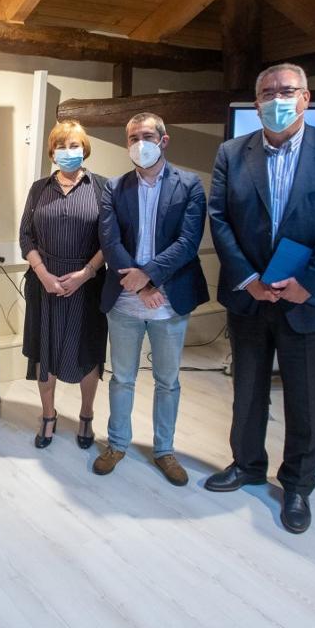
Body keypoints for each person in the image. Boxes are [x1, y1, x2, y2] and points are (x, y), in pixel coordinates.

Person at [205, 63, 315, 535]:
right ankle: (247, 464)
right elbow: (220, 219)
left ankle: (297, 484)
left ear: (305, 98)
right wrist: (248, 278)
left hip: (307, 300)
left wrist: (308, 283)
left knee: (307, 399)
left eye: (287, 91)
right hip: (250, 296)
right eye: (267, 93)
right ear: (256, 103)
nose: (277, 99)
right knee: (247, 389)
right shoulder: (232, 153)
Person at [93, 113, 209, 485]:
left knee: (167, 381)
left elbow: (188, 243)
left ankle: (164, 451)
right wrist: (141, 286)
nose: (139, 143)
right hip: (126, 298)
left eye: (146, 136)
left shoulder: (189, 185)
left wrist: (151, 276)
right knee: (122, 378)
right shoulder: (113, 187)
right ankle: (116, 445)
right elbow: (110, 241)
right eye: (132, 138)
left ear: (163, 140)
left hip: (170, 298)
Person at [19, 120, 108, 450]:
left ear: (84, 149)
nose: (67, 151)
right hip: (45, 285)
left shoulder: (102, 187)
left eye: (74, 145)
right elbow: (25, 236)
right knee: (46, 352)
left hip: (88, 285)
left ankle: (86, 415)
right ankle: (48, 415)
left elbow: (111, 239)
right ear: (52, 153)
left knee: (87, 352)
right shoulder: (38, 189)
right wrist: (43, 274)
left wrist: (86, 273)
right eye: (61, 146)